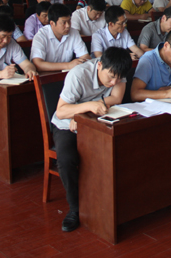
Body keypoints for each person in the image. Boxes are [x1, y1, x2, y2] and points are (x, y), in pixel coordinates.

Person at [51, 46, 133, 233]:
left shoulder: (118, 71)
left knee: (120, 147)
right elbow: (61, 111)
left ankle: (108, 201)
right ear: (100, 65)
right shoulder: (78, 75)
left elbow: (117, 98)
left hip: (96, 120)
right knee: (67, 159)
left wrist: (89, 111)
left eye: (118, 79)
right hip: (66, 125)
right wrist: (86, 109)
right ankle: (75, 209)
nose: (113, 82)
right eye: (110, 77)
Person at [30, 3, 90, 72]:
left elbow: (85, 56)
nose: (68, 26)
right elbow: (38, 64)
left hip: (66, 74)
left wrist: (84, 61)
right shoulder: (41, 36)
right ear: (52, 23)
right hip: (46, 75)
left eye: (69, 21)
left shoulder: (74, 33)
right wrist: (68, 65)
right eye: (64, 23)